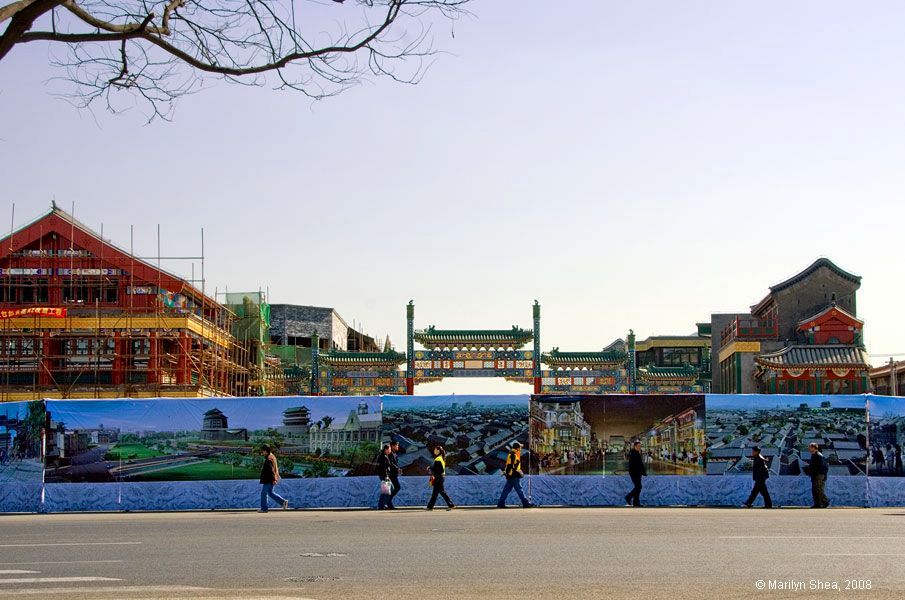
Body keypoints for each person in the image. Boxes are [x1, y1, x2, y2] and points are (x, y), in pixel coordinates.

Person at [497, 442, 532, 508]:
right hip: (514, 475)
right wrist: (512, 473)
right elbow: (511, 466)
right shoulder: (513, 454)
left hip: (511, 475)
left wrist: (507, 473)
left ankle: (500, 504)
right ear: (517, 448)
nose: (521, 448)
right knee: (519, 489)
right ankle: (525, 503)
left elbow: (511, 465)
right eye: (520, 447)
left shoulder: (513, 454)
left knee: (506, 490)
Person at [259, 444, 288, 513]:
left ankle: (264, 508)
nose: (262, 453)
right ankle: (283, 502)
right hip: (271, 478)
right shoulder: (272, 457)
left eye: (263, 451)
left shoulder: (269, 459)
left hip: (268, 479)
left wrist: (273, 479)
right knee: (270, 493)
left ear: (265, 451)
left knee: (264, 493)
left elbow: (271, 471)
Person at [426, 445, 455, 511]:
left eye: (435, 450)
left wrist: (430, 468)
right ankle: (430, 507)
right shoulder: (441, 458)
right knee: (435, 493)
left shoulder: (438, 459)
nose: (434, 451)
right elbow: (439, 469)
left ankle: (451, 505)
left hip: (439, 478)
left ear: (438, 451)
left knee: (441, 492)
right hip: (440, 477)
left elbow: (439, 469)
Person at [803, 442, 829, 508]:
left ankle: (825, 501)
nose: (809, 449)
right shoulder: (814, 455)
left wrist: (822, 474)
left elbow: (823, 466)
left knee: (817, 489)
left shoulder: (818, 455)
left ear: (814, 448)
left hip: (818, 475)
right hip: (815, 474)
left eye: (810, 447)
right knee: (815, 489)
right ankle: (818, 504)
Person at [624, 441, 646, 507]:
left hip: (637, 473)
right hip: (634, 473)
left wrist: (643, 472)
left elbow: (640, 464)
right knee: (638, 487)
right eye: (638, 446)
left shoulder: (637, 453)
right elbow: (633, 465)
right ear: (635, 446)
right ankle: (630, 498)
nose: (640, 447)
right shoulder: (633, 454)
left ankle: (635, 502)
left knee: (638, 487)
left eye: (640, 446)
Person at [376, 444, 393, 510]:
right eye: (389, 449)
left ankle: (383, 504)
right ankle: (381, 505)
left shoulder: (383, 456)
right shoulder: (384, 457)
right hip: (384, 476)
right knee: (388, 490)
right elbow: (384, 468)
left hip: (383, 475)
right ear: (386, 449)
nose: (390, 451)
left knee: (387, 490)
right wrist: (386, 476)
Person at [388, 440, 402, 509]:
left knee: (393, 488)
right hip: (391, 474)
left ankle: (388, 502)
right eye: (396, 445)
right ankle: (388, 501)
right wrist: (397, 468)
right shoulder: (390, 454)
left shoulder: (395, 454)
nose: (398, 446)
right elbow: (391, 463)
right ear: (392, 446)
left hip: (394, 473)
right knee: (397, 487)